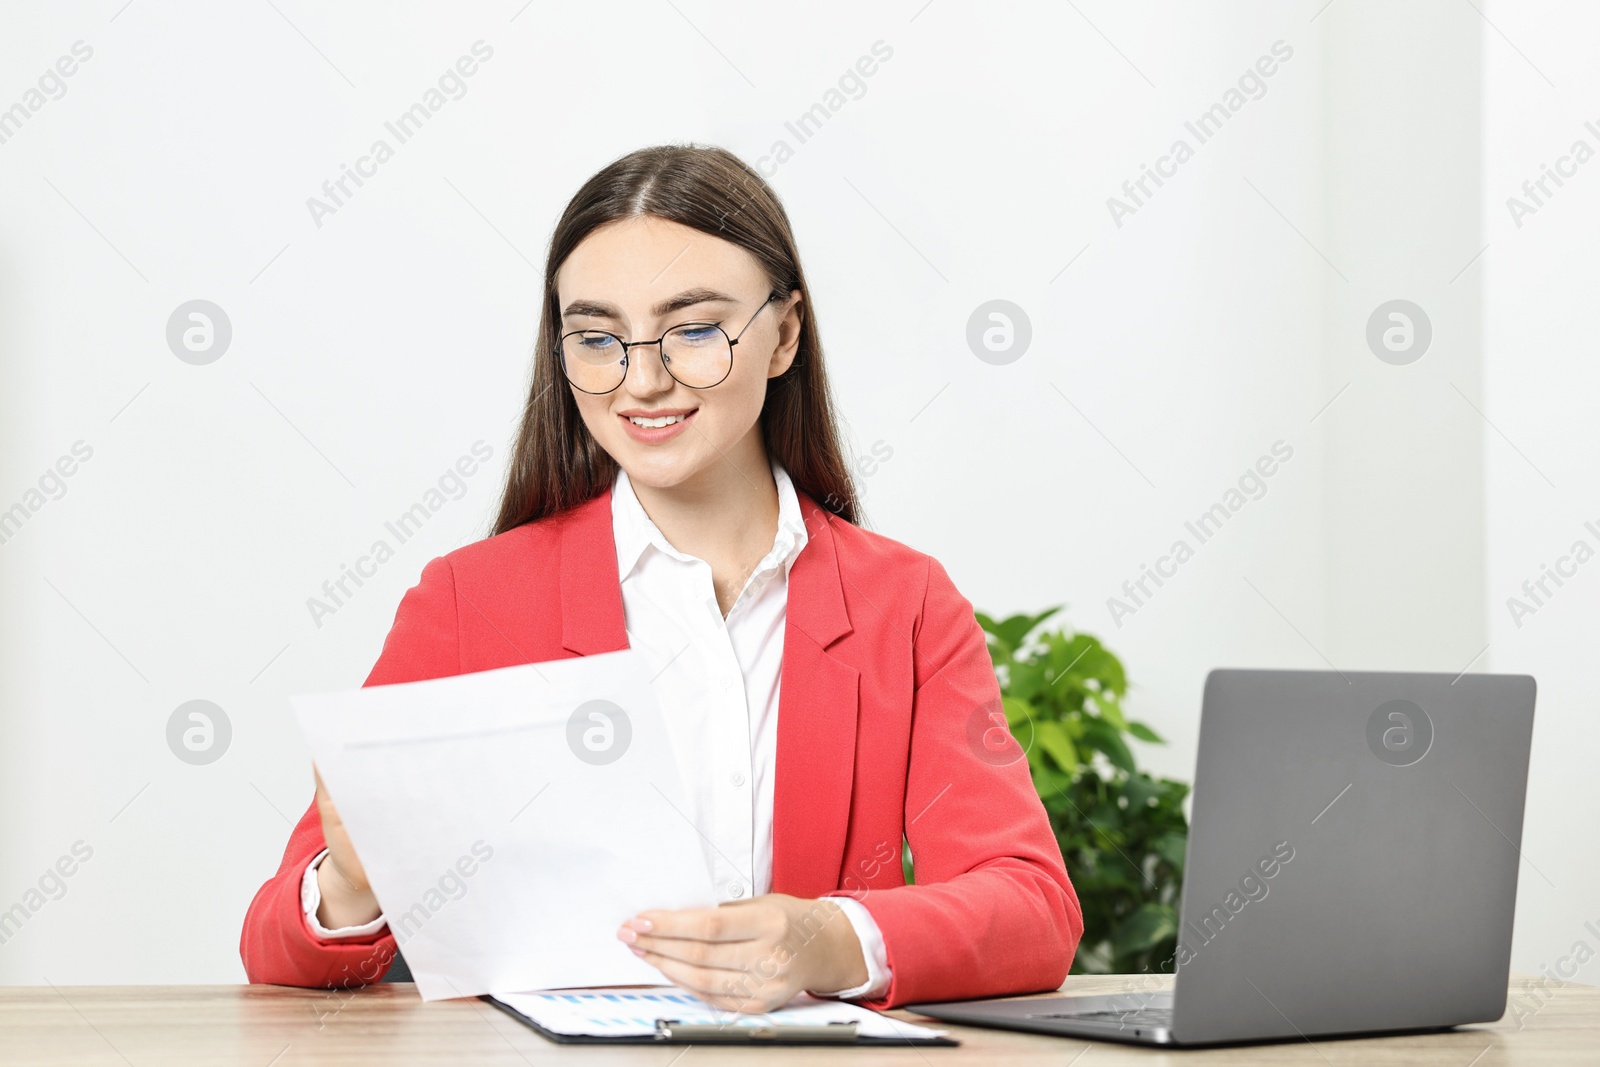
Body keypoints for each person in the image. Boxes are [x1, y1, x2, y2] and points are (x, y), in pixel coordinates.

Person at [241, 143, 1082, 1012]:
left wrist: (828, 938)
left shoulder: (903, 603)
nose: (641, 381)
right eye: (598, 339)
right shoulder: (467, 601)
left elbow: (1031, 906)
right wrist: (351, 882)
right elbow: (277, 945)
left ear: (785, 332)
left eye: (693, 329)